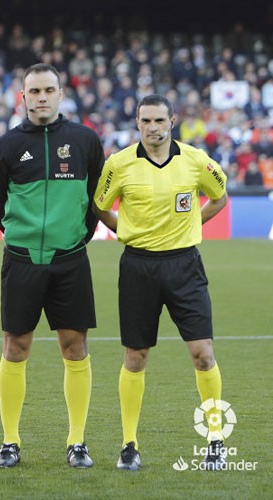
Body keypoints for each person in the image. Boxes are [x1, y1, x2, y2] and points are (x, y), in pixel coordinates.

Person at [93, 94, 228, 471]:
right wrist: (127, 230)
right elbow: (100, 205)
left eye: (159, 120)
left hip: (185, 266)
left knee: (203, 353)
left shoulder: (196, 160)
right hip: (138, 267)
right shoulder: (118, 164)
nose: (152, 127)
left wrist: (192, 223)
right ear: (137, 123)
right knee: (135, 357)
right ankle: (129, 444)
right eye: (145, 121)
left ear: (172, 121)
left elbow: (220, 196)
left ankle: (215, 440)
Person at [0, 63, 105, 469]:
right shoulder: (5, 147)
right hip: (21, 261)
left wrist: (76, 237)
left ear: (60, 93)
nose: (41, 97)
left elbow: (96, 198)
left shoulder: (85, 141)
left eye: (48, 90)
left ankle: (77, 442)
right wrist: (22, 234)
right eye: (33, 91)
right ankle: (10, 441)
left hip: (70, 261)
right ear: (22, 97)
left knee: (75, 346)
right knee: (16, 347)